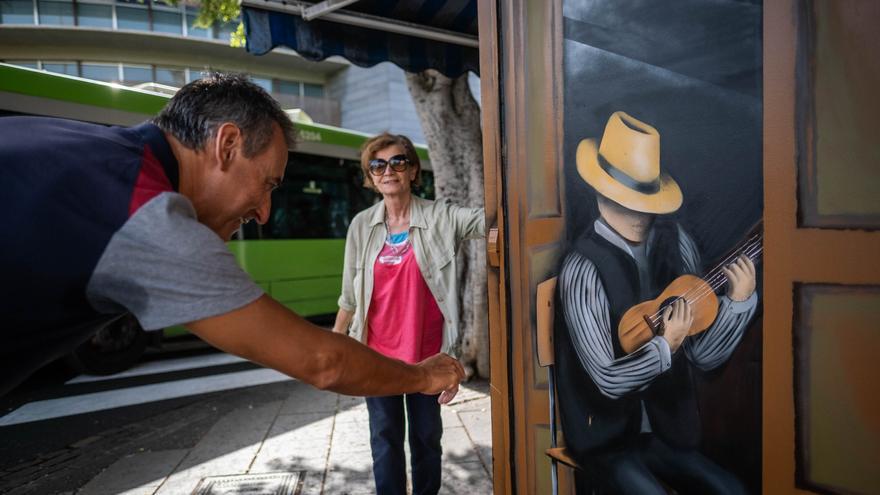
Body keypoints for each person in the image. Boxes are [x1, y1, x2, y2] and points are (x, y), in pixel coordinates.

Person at [0, 72, 465, 401]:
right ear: (226, 145)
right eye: (267, 183)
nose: (264, 213)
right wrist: (422, 377)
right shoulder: (147, 214)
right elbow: (323, 362)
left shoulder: (79, 147)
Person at [556, 111, 757, 494]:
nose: (637, 215)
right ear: (601, 192)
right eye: (623, 200)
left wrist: (737, 305)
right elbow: (607, 379)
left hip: (671, 432)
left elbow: (703, 356)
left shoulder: (677, 244)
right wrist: (666, 345)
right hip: (607, 441)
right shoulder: (582, 268)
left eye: (643, 202)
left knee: (733, 491)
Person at [332, 133, 485, 495]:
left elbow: (486, 220)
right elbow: (350, 295)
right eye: (378, 164)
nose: (389, 170)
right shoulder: (360, 226)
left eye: (399, 162)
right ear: (370, 176)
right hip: (376, 356)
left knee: (427, 439)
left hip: (427, 358)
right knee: (384, 440)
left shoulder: (441, 217)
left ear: (413, 170)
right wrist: (337, 345)